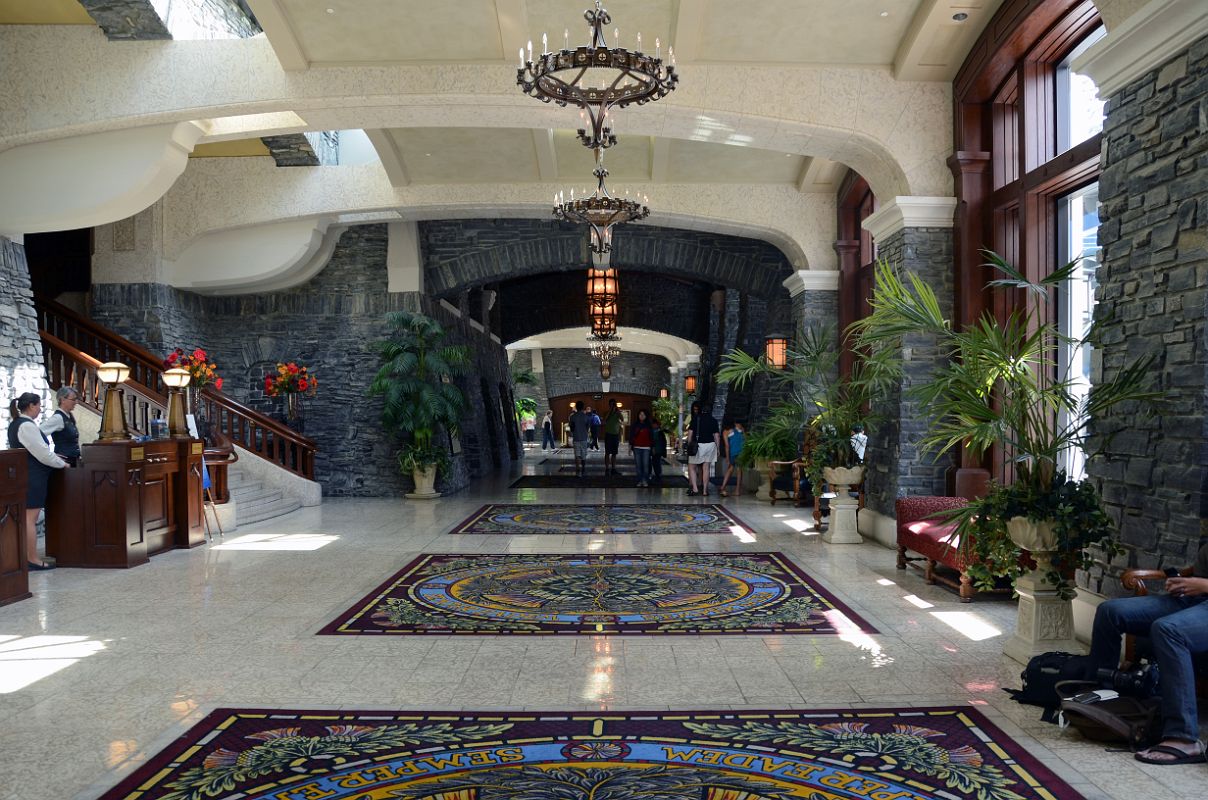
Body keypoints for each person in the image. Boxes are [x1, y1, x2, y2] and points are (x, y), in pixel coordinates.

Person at [1088, 543, 1208, 764]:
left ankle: (1184, 738)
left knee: (1168, 630)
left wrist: (1203, 585)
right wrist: (1184, 582)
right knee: (1110, 611)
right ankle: (1101, 703)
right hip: (1193, 600)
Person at [8, 393, 68, 571]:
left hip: (27, 474)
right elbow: (41, 453)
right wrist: (61, 463)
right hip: (33, 476)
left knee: (27, 519)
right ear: (32, 406)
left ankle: (26, 557)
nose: (40, 409)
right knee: (29, 519)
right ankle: (33, 559)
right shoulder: (26, 425)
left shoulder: (17, 423)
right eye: (39, 405)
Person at [686, 400, 721, 497]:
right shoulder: (713, 420)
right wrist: (718, 448)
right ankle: (705, 491)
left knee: (692, 467)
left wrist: (689, 445)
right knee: (706, 468)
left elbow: (690, 434)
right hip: (710, 445)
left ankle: (695, 488)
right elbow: (716, 436)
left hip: (698, 446)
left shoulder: (696, 419)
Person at [40, 386, 82, 467]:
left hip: (73, 462)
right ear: (63, 400)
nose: (76, 402)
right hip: (64, 464)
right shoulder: (58, 418)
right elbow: (38, 433)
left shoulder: (69, 416)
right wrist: (50, 454)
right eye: (73, 399)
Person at [719, 420, 745, 498]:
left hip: (733, 452)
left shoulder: (726, 431)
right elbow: (745, 439)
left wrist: (727, 457)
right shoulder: (740, 427)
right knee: (739, 470)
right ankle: (737, 490)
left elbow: (727, 446)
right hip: (741, 451)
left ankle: (723, 487)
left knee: (730, 468)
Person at [628, 409, 654, 487]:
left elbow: (651, 437)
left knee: (645, 465)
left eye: (643, 415)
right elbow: (631, 436)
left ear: (646, 416)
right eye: (640, 414)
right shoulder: (635, 425)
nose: (641, 416)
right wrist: (630, 447)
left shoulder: (649, 425)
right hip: (637, 447)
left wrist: (653, 447)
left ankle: (645, 480)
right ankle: (640, 480)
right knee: (638, 465)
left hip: (646, 447)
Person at [567, 402, 592, 477]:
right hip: (584, 437)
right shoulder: (586, 417)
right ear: (583, 407)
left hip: (576, 437)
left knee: (577, 454)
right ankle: (583, 467)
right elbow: (588, 427)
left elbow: (571, 427)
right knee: (583, 453)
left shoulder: (573, 417)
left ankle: (578, 468)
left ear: (576, 407)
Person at [602, 398, 623, 476]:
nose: (612, 405)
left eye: (613, 404)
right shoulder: (606, 412)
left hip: (615, 435)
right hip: (608, 434)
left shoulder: (618, 412)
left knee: (614, 453)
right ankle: (607, 468)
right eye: (611, 404)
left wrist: (617, 411)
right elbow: (604, 420)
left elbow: (622, 419)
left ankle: (613, 468)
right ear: (609, 405)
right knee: (607, 452)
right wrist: (610, 411)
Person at [650, 417, 667, 486]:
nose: (654, 426)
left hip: (658, 450)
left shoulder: (659, 432)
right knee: (655, 462)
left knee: (656, 463)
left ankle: (658, 475)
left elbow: (663, 442)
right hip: (655, 449)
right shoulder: (653, 431)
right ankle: (656, 475)